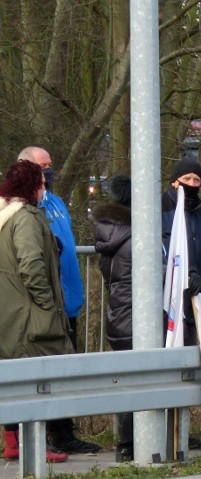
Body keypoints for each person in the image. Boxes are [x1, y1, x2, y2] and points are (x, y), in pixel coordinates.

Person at [16, 146, 101, 454]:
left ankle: (64, 432)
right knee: (41, 372)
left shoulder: (55, 203)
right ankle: (45, 434)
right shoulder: (23, 208)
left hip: (68, 304)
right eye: (43, 166)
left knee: (66, 370)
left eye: (51, 165)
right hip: (43, 307)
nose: (49, 171)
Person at [0, 161, 72, 463]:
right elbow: (31, 266)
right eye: (41, 183)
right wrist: (48, 306)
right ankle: (34, 445)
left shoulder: (5, 216)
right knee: (35, 381)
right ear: (31, 186)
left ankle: (14, 442)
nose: (45, 188)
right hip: (29, 316)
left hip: (11, 314)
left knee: (15, 379)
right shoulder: (26, 218)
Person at [92, 174, 135, 461]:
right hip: (135, 313)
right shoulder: (135, 234)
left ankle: (127, 441)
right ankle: (131, 442)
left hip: (119, 312)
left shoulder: (109, 233)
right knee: (139, 379)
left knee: (128, 378)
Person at [162, 158, 201, 346]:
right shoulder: (160, 211)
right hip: (168, 307)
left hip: (198, 303)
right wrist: (185, 274)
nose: (192, 184)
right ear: (174, 182)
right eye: (187, 178)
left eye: (196, 180)